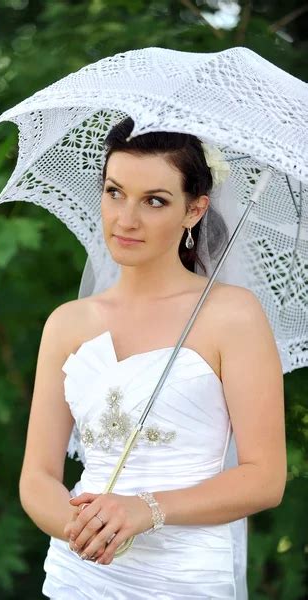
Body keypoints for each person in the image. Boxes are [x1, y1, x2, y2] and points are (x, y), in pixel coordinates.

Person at [18, 118, 287, 599]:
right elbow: (37, 477)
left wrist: (146, 509)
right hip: (79, 573)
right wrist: (80, 528)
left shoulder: (232, 316)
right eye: (114, 192)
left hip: (184, 577)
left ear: (194, 209)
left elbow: (264, 479)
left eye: (155, 201)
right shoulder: (66, 324)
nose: (125, 218)